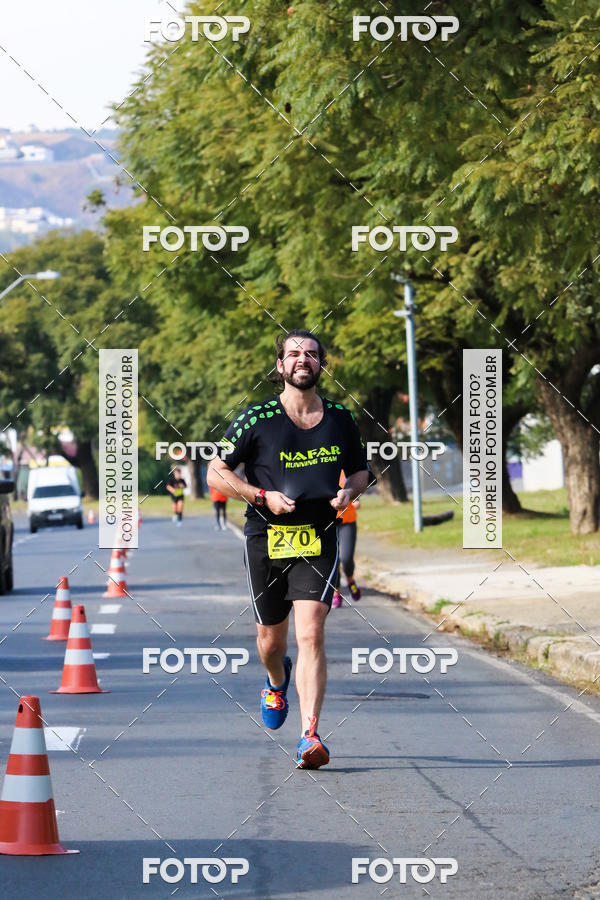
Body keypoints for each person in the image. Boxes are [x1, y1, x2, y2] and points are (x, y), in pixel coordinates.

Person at [207, 329, 372, 769]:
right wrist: (261, 496)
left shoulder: (341, 418)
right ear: (280, 366)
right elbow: (216, 473)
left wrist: (348, 495)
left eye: (312, 354)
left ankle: (310, 735)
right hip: (266, 536)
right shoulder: (255, 418)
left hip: (318, 534)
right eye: (294, 354)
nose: (304, 360)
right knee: (269, 640)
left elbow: (360, 473)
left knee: (312, 630)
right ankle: (275, 681)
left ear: (321, 365)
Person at [332, 470, 361, 608]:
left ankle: (350, 580)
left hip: (348, 522)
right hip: (329, 523)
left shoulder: (347, 471)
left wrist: (356, 500)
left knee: (346, 558)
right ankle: (336, 593)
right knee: (334, 559)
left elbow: (357, 487)